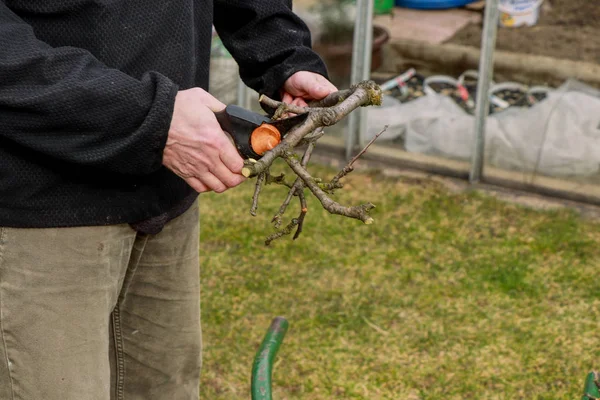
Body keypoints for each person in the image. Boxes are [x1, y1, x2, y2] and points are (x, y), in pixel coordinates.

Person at [0, 1, 336, 399]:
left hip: (165, 195)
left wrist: (280, 51)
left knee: (166, 389)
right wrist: (147, 118)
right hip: (40, 209)